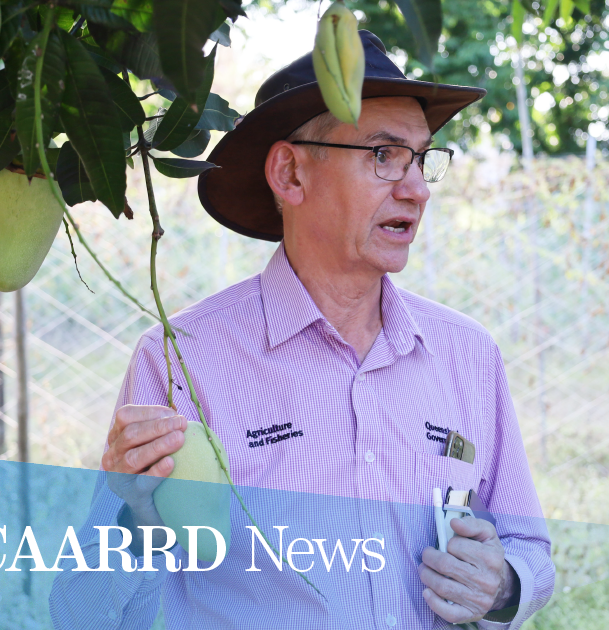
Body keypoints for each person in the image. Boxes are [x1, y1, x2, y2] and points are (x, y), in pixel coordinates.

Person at [50, 31, 555, 630]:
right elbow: (80, 612)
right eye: (383, 155)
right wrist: (129, 520)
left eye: (421, 159)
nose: (416, 188)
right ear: (290, 173)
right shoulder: (182, 361)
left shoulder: (467, 355)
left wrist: (503, 586)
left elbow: (528, 545)